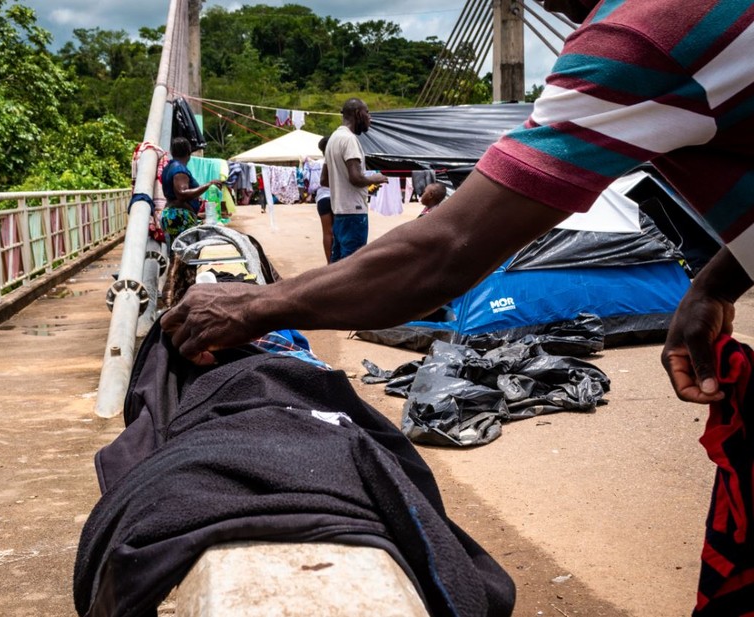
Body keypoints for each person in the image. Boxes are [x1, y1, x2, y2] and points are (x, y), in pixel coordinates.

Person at [163, 0, 754, 411]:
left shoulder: (641, 37)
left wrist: (261, 304)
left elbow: (446, 249)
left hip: (349, 210)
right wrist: (715, 282)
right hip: (347, 207)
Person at [320, 98, 388, 262]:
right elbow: (356, 178)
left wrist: (341, 183)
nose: (370, 118)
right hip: (354, 213)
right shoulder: (349, 140)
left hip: (339, 213)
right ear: (358, 114)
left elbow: (324, 180)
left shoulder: (333, 139)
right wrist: (376, 178)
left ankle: (332, 288)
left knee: (338, 265)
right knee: (352, 266)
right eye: (367, 112)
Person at [160, 136, 222, 254]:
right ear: (189, 152)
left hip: (172, 215)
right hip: (179, 216)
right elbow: (182, 194)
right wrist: (209, 184)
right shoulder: (179, 170)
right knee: (186, 256)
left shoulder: (170, 166)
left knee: (176, 255)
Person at [314, 136, 334, 264]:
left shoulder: (317, 163)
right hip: (336, 198)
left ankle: (329, 262)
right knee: (338, 231)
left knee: (327, 233)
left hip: (322, 199)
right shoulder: (335, 161)